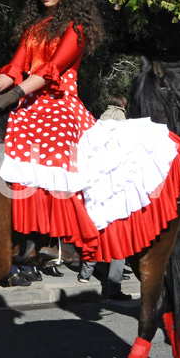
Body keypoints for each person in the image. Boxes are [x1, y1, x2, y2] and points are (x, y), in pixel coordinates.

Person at [0, 0, 180, 263]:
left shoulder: (76, 28)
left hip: (60, 103)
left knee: (53, 145)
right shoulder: (34, 28)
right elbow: (15, 66)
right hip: (27, 101)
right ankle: (14, 229)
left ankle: (57, 239)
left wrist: (13, 95)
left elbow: (51, 69)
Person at [76, 96, 131, 300]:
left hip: (96, 186)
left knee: (96, 230)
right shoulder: (122, 122)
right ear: (122, 105)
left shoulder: (97, 122)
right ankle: (113, 285)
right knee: (119, 237)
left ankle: (85, 273)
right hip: (116, 187)